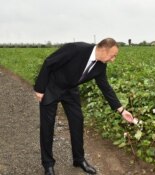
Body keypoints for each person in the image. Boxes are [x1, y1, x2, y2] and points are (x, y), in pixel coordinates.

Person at [34, 38, 134, 175]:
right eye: (113, 56)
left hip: (70, 90)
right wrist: (40, 88)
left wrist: (121, 110)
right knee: (47, 126)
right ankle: (48, 165)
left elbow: (105, 88)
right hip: (52, 87)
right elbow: (49, 62)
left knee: (77, 122)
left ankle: (79, 159)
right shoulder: (76, 49)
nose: (113, 60)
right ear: (104, 50)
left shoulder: (100, 66)